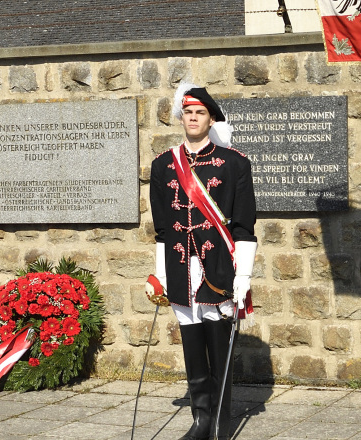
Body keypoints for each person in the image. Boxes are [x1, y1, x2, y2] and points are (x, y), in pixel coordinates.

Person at [148, 83, 257, 440]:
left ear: (211, 120)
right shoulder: (163, 164)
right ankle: (201, 420)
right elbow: (163, 228)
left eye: (200, 113)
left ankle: (222, 426)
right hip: (180, 268)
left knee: (218, 347)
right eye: (188, 113)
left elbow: (243, 225)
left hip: (218, 270)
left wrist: (244, 275)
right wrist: (161, 275)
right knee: (192, 346)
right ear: (181, 118)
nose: (193, 118)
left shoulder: (234, 163)